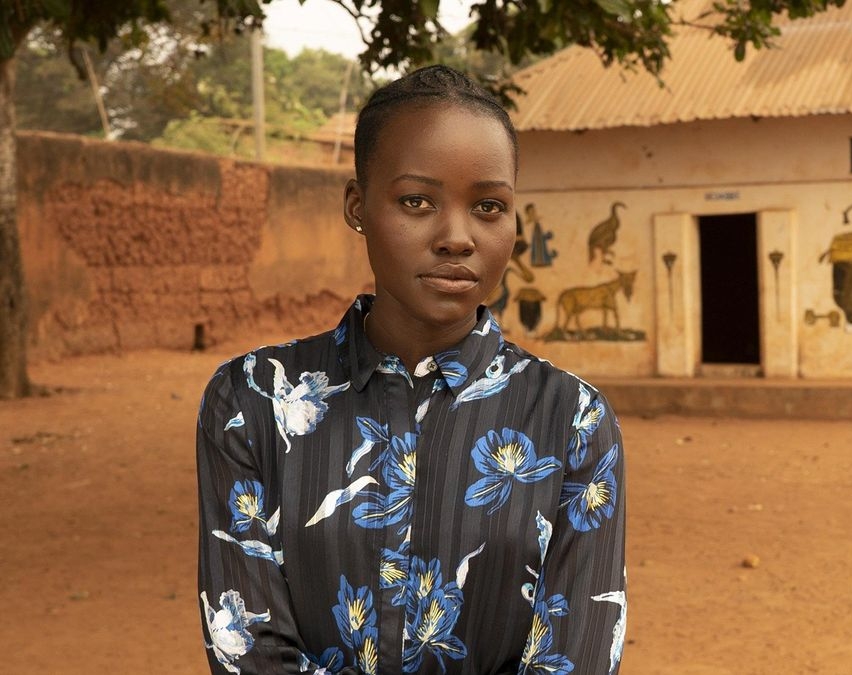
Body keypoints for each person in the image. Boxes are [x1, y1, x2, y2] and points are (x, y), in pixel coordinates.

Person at [196, 65, 626, 675]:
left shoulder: (574, 420)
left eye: (488, 206)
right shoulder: (251, 402)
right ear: (357, 206)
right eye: (416, 201)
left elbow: (574, 654)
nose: (457, 236)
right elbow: (248, 649)